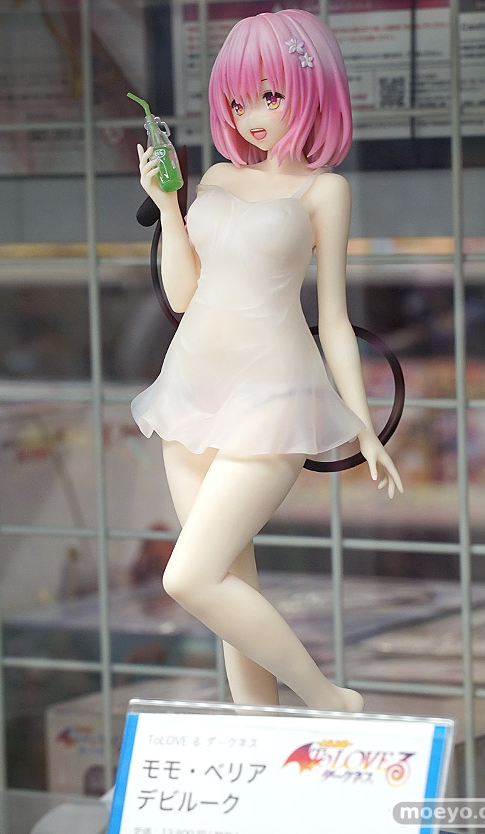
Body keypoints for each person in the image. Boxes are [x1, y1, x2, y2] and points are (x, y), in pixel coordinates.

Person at [132, 9, 403, 711]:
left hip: (272, 396)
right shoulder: (218, 178)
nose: (252, 116)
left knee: (188, 578)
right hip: (190, 390)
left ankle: (329, 699)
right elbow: (183, 295)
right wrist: (169, 207)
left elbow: (334, 318)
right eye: (237, 101)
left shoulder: (323, 190)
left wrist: (363, 424)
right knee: (229, 586)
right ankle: (259, 736)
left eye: (271, 95)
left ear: (310, 90)